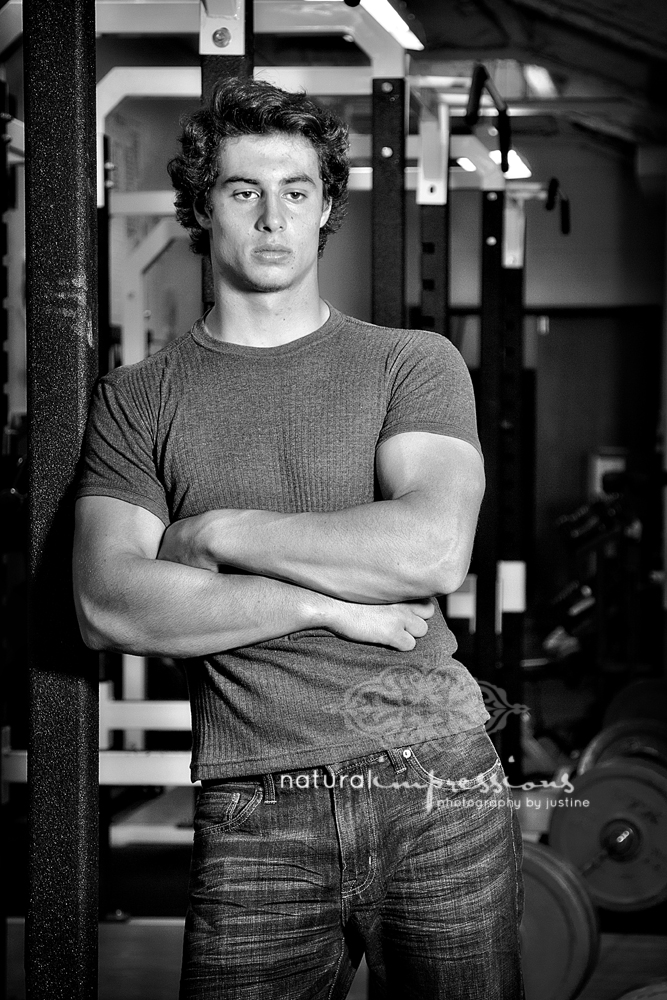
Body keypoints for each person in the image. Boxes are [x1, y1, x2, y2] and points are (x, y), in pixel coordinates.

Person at [73, 77, 523, 999]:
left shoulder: (410, 361)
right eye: (243, 191)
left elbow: (429, 550)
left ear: (325, 209)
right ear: (203, 206)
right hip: (254, 802)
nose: (272, 218)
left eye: (297, 192)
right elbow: (108, 603)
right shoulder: (137, 399)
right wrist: (327, 605)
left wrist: (218, 533)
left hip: (433, 776)